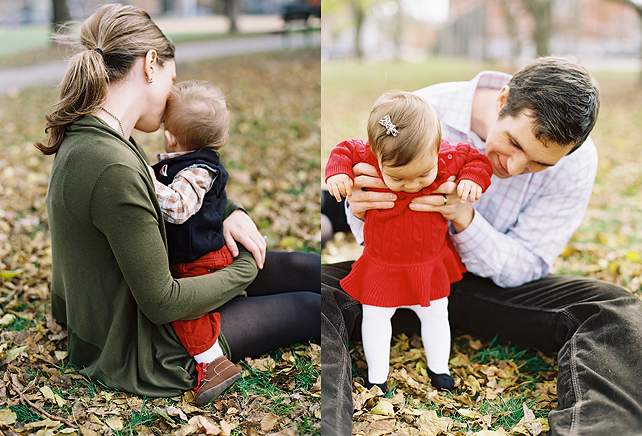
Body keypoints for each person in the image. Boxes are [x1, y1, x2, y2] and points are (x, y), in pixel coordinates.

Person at [321, 56, 642, 436]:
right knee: (320, 289)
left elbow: (528, 263)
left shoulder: (576, 163)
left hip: (494, 288)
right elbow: (362, 192)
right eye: (513, 142)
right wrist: (357, 209)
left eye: (538, 163)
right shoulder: (418, 112)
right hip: (398, 277)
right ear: (502, 98)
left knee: (613, 307)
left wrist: (464, 218)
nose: (513, 165)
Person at [35, 3, 320, 403]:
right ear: (151, 64)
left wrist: (229, 211)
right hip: (145, 347)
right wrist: (243, 272)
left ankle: (399, 290)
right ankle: (403, 312)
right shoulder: (110, 164)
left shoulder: (100, 133)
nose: (173, 95)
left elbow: (154, 200)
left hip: (139, 301)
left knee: (298, 266)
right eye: (173, 77)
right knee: (309, 306)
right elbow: (162, 301)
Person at [325, 90, 492, 392]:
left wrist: (472, 179)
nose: (413, 185)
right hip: (383, 263)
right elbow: (343, 151)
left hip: (428, 262)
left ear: (438, 151)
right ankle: (377, 375)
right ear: (377, 157)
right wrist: (338, 174)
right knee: (376, 318)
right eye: (400, 179)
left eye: (423, 175)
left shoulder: (448, 157)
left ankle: (439, 369)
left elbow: (476, 159)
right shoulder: (369, 155)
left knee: (436, 315)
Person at [148, 81, 245, 406]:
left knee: (186, 311)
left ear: (170, 135)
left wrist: (143, 180)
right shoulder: (180, 163)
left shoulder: (199, 170)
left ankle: (213, 362)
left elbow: (178, 208)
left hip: (201, 257)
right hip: (196, 254)